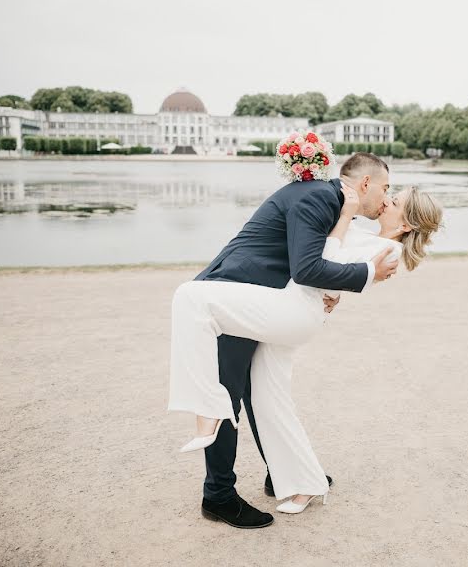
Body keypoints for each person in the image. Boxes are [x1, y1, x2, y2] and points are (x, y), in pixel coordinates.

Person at [168, 152, 396, 529]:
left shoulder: (332, 203)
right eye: (386, 187)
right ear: (366, 184)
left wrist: (333, 293)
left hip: (260, 297)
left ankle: (282, 473)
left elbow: (316, 259)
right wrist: (365, 274)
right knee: (229, 392)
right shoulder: (317, 198)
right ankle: (218, 495)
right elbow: (307, 268)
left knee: (259, 389)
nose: (388, 197)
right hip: (235, 292)